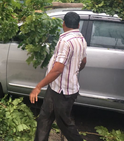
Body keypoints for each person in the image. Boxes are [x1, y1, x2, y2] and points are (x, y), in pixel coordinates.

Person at [29, 12, 87, 141]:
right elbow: (83, 62)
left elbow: (58, 70)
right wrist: (73, 72)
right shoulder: (81, 39)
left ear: (63, 24)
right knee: (44, 117)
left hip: (63, 92)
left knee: (65, 124)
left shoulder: (65, 41)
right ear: (78, 25)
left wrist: (38, 87)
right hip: (55, 87)